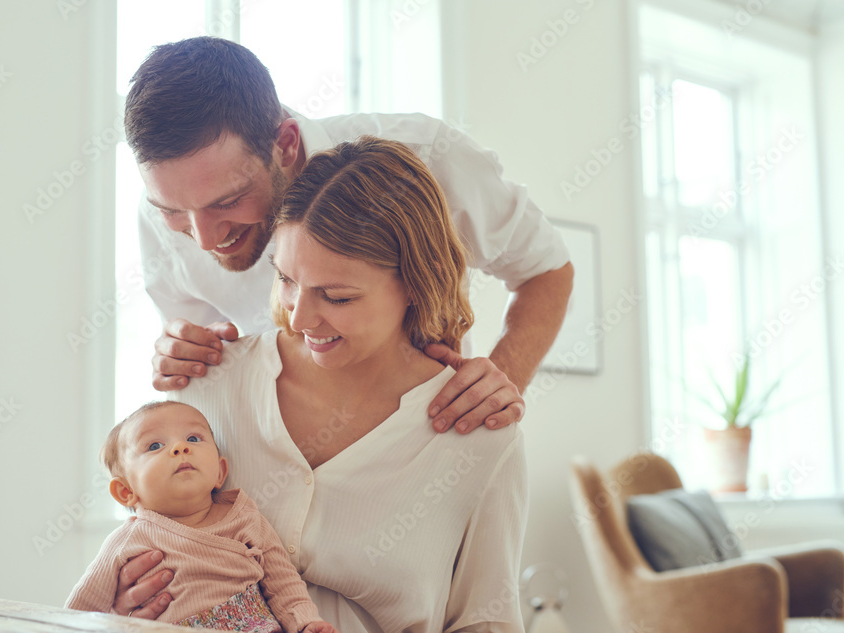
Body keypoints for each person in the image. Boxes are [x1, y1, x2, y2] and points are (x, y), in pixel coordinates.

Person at [113, 138, 528, 632]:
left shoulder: (479, 436)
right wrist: (124, 604)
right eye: (287, 279)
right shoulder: (204, 389)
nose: (300, 317)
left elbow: (487, 622)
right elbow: (143, 547)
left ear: (418, 283)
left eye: (336, 295)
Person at [129, 37, 573, 435]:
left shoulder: (427, 159)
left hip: (422, 441)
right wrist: (181, 351)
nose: (204, 240)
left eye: (228, 201)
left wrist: (499, 380)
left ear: (284, 143)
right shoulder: (158, 221)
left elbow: (546, 270)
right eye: (172, 210)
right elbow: (205, 351)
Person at [65, 400, 338, 633]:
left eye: (193, 439)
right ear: (126, 491)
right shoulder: (128, 540)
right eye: (155, 445)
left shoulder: (245, 517)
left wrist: (305, 623)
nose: (180, 448)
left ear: (220, 472)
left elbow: (283, 584)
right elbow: (80, 610)